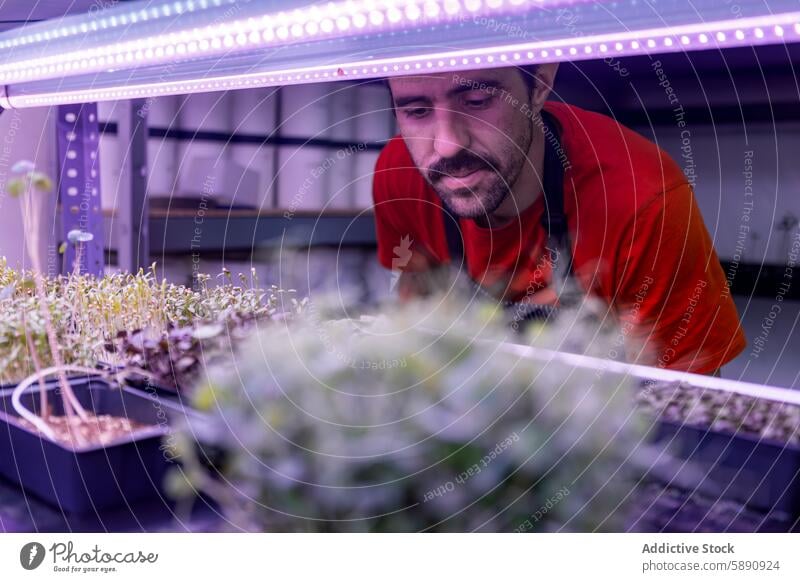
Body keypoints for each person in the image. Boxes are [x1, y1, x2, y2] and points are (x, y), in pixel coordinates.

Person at [371, 64, 746, 374]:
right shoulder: (399, 174)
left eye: (477, 100)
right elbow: (417, 333)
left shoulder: (643, 197)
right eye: (416, 111)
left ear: (540, 85)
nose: (447, 145)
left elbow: (684, 406)